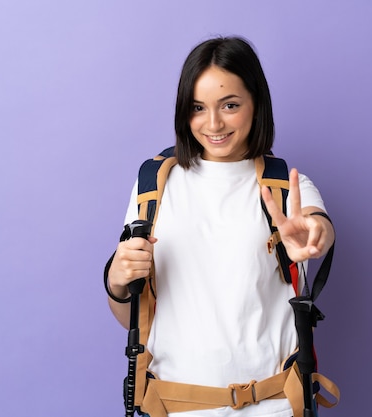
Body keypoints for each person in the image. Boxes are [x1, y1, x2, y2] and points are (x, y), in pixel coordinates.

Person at [105, 36, 335, 417]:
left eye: (230, 105)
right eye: (198, 107)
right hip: (173, 406)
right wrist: (116, 280)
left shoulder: (285, 188)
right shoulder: (154, 185)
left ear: (256, 105)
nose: (213, 124)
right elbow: (134, 316)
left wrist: (315, 234)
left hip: (273, 407)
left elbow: (316, 226)